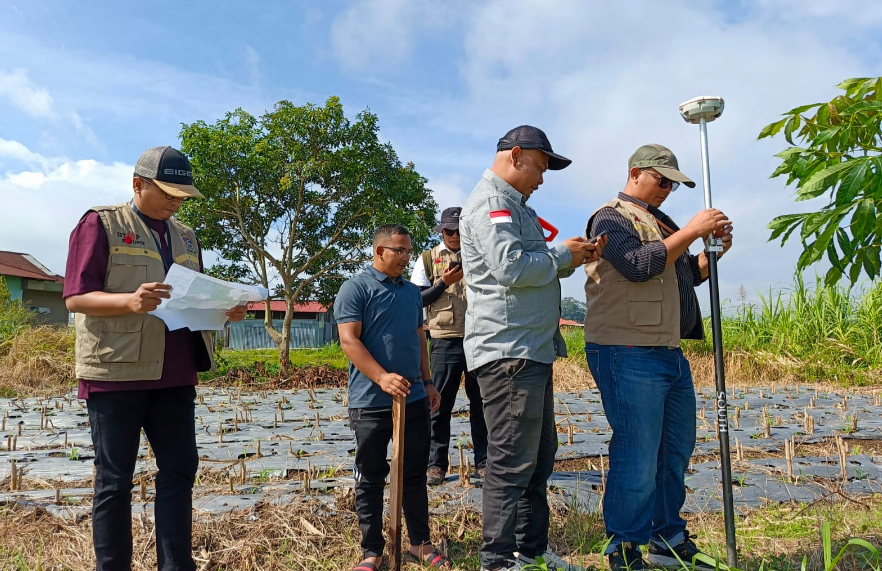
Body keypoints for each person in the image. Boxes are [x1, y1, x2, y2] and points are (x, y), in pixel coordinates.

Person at [63, 146, 247, 571]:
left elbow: (193, 298)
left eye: (182, 196)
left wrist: (225, 310)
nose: (175, 202)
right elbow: (75, 297)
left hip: (176, 373)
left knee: (180, 472)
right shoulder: (100, 223)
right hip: (116, 372)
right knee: (114, 481)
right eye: (167, 193)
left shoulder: (185, 235)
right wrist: (129, 301)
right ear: (138, 185)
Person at [459, 126, 606, 571]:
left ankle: (532, 551)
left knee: (539, 457)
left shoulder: (517, 207)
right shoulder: (492, 204)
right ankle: (498, 560)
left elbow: (532, 269)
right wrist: (563, 255)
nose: (542, 178)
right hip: (508, 353)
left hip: (531, 350)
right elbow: (510, 268)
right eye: (540, 167)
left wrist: (570, 257)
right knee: (509, 460)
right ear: (516, 156)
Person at [582, 144, 733, 571]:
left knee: (674, 450)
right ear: (635, 173)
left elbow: (683, 278)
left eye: (673, 183)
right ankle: (624, 547)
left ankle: (666, 537)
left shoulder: (660, 222)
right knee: (638, 451)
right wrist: (688, 231)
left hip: (667, 350)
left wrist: (711, 254)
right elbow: (636, 265)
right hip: (626, 349)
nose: (668, 189)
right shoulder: (610, 216)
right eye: (661, 179)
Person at [335, 224, 450, 571]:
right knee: (370, 476)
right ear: (379, 251)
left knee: (414, 473)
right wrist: (382, 377)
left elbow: (419, 340)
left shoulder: (413, 294)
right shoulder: (355, 289)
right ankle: (372, 552)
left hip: (413, 399)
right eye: (398, 250)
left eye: (407, 251)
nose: (405, 257)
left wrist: (428, 382)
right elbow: (349, 341)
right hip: (370, 401)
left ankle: (419, 543)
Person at [411, 206, 488, 486]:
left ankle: (483, 463)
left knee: (481, 404)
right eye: (449, 231)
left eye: (459, 230)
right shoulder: (428, 259)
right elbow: (417, 299)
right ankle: (435, 465)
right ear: (441, 231)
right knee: (438, 406)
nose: (454, 236)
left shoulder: (479, 254)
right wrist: (443, 282)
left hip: (479, 339)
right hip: (444, 341)